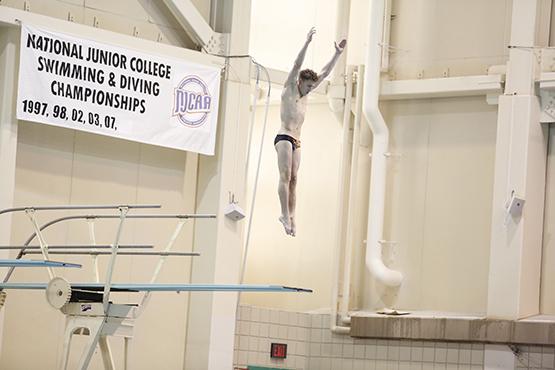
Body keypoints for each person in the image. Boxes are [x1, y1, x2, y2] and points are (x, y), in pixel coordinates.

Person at [275, 27, 347, 236]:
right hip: (284, 136)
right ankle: (283, 214)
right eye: (307, 86)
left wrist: (337, 54)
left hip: (297, 140)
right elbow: (297, 64)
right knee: (285, 175)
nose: (309, 90)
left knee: (295, 179)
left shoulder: (307, 93)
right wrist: (307, 42)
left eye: (310, 87)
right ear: (299, 81)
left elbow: (324, 73)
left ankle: (292, 216)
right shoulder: (289, 88)